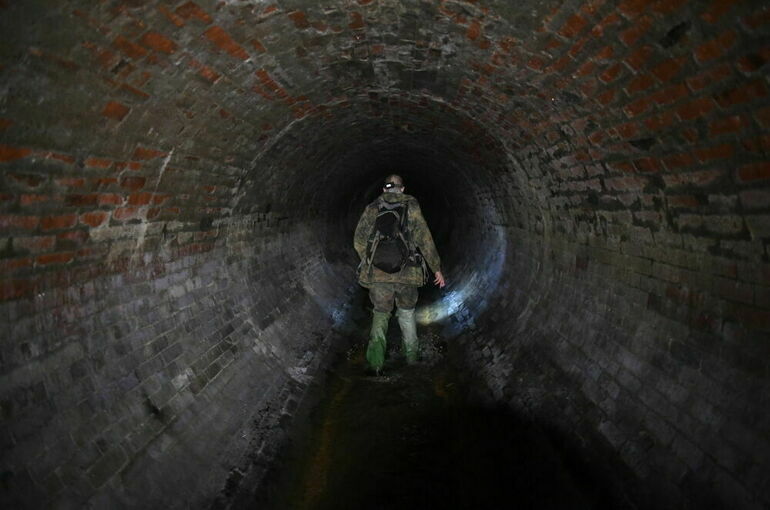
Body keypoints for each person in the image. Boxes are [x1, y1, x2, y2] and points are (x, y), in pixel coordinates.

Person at [353, 174, 445, 375]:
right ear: (402, 189)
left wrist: (370, 260)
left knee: (380, 315)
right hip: (407, 274)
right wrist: (436, 268)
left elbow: (358, 240)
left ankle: (376, 363)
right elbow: (425, 240)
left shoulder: (372, 208)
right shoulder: (411, 207)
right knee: (407, 313)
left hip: (378, 275)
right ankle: (411, 358)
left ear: (385, 189)